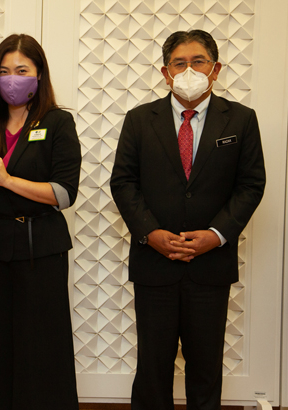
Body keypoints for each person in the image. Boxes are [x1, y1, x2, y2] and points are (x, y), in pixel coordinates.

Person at [110, 29, 265, 410]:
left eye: (199, 61)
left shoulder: (242, 120)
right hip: (154, 264)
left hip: (210, 265)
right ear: (165, 73)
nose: (189, 70)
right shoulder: (138, 119)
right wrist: (151, 233)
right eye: (180, 63)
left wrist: (217, 235)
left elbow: (251, 184)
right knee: (152, 366)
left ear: (215, 70)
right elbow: (123, 182)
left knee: (206, 366)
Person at [0, 33, 81, 409]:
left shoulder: (58, 123)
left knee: (42, 347)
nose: (12, 78)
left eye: (21, 70)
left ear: (39, 75)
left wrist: (8, 179)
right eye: (3, 71)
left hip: (41, 249)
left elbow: (65, 193)